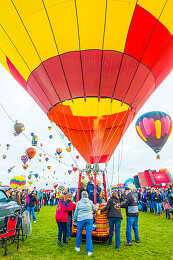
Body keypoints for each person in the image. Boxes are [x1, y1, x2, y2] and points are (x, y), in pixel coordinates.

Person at [73, 191, 99, 256]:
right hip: (89, 219)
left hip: (80, 219)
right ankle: (89, 251)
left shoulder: (79, 203)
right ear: (87, 195)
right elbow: (95, 209)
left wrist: (74, 220)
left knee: (79, 233)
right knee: (88, 235)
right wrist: (98, 205)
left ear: (82, 196)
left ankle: (78, 247)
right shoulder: (90, 202)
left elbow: (76, 212)